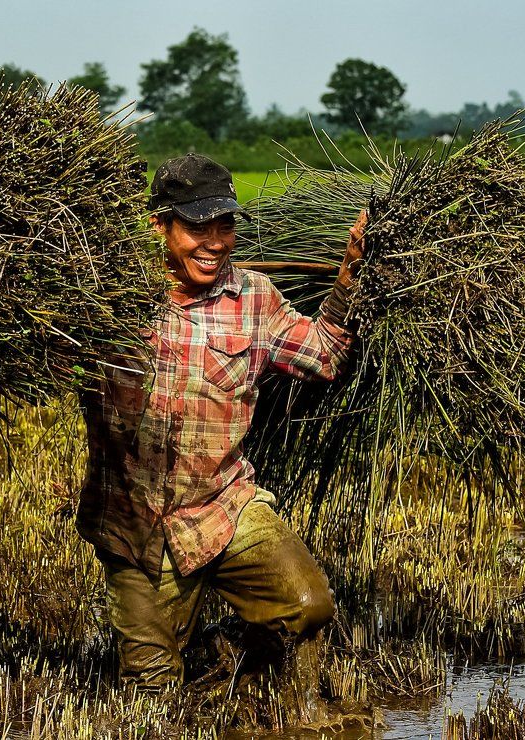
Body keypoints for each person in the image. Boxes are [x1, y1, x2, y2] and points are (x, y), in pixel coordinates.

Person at [76, 153, 365, 690]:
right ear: (158, 225)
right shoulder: (107, 297)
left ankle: (240, 669)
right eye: (195, 227)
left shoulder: (254, 297)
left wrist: (350, 275)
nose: (213, 242)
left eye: (224, 225)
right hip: (136, 528)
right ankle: (201, 661)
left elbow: (323, 355)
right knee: (151, 693)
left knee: (308, 606)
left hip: (223, 507)